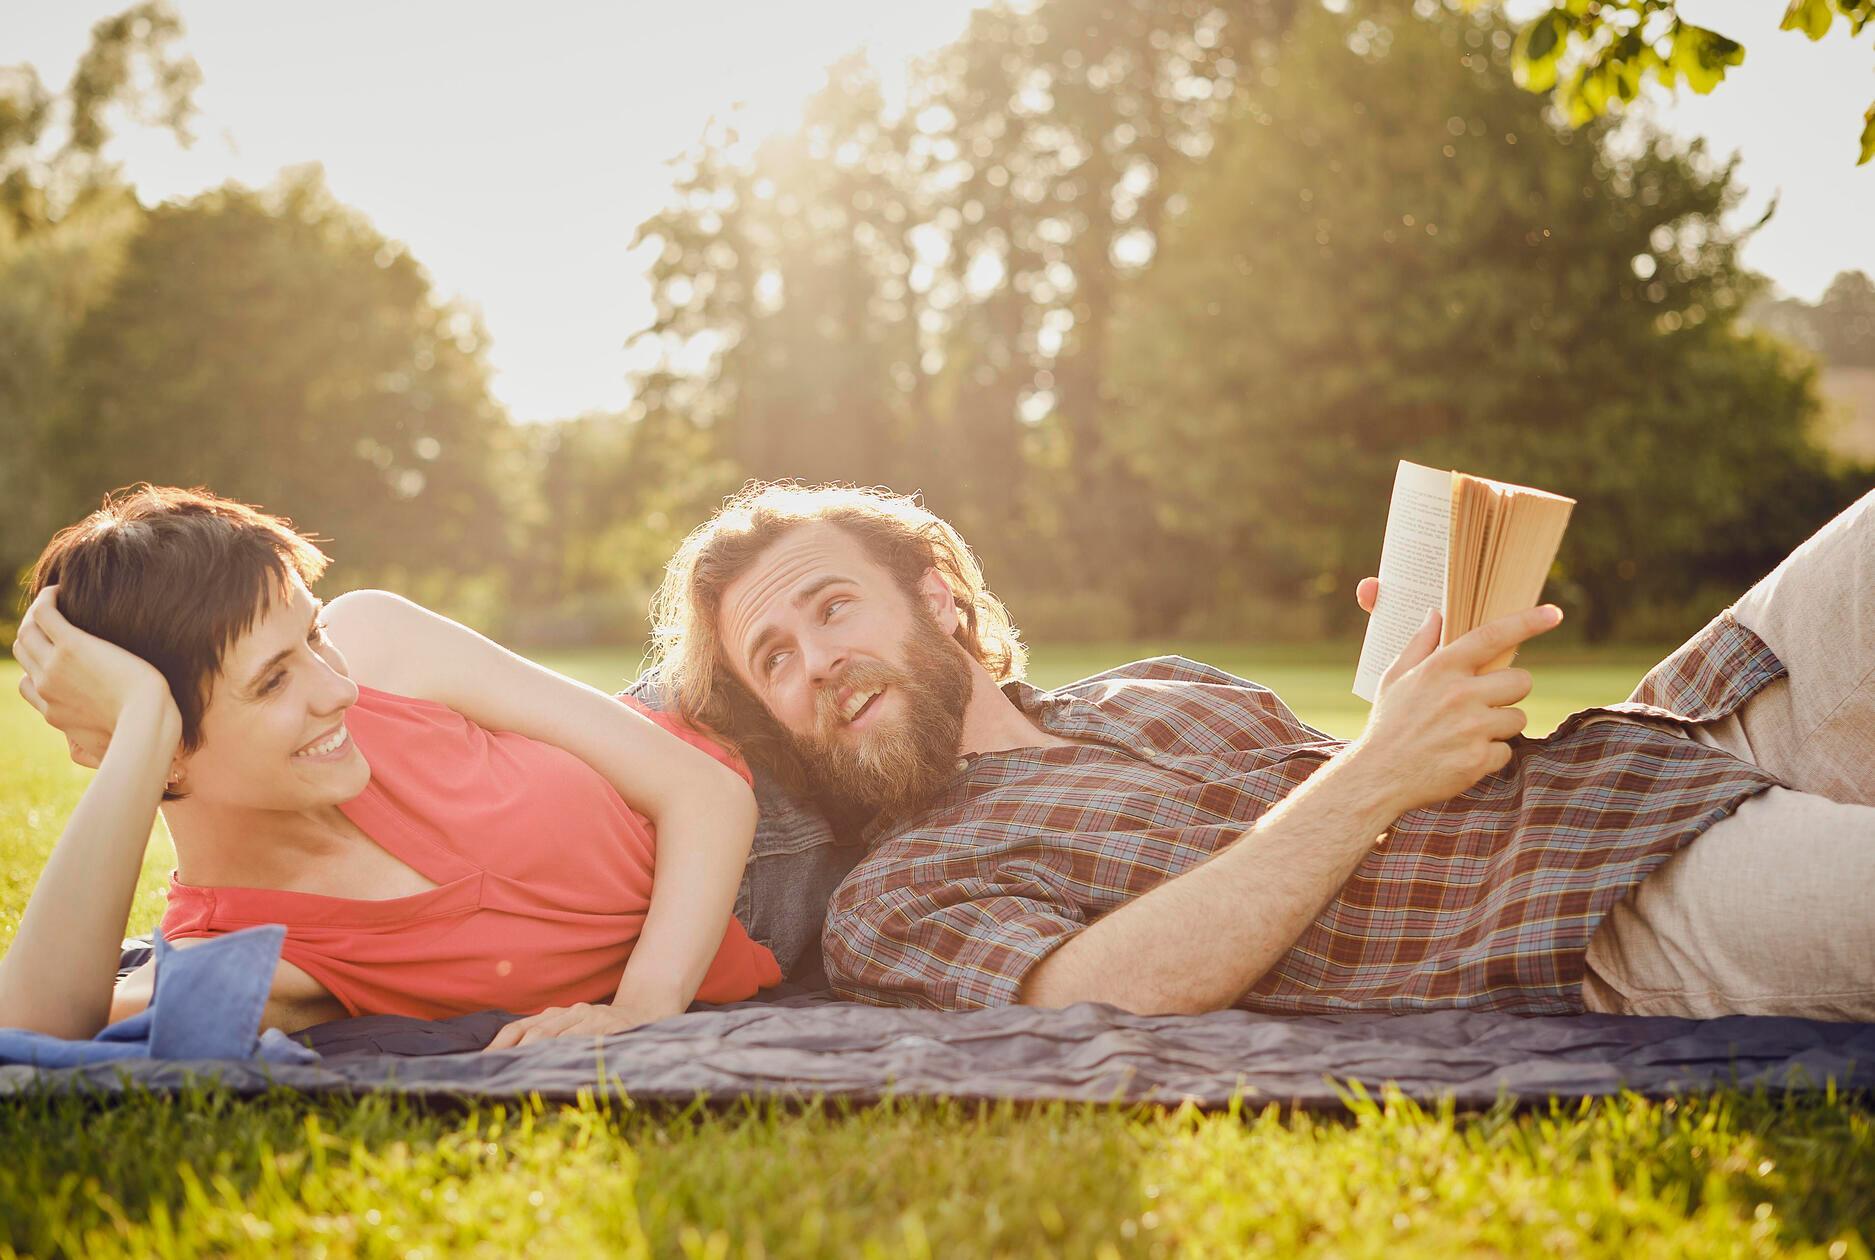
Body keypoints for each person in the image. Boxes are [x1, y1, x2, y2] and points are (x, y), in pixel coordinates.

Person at [646, 481, 1875, 1021]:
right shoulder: (894, 896)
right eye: (775, 663)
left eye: (830, 609)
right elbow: (1100, 996)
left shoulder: (1154, 686)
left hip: (1650, 748)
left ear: (938, 599)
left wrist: (1414, 704)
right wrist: (1379, 771)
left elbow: (1371, 784)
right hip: (1600, 907)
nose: (817, 664)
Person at [1, 485, 778, 1049]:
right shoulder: (247, 946)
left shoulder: (374, 642)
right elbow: (33, 1033)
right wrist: (137, 725)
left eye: (313, 636)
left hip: (746, 738)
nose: (339, 690)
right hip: (783, 899)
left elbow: (702, 789)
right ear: (165, 749)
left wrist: (640, 1010)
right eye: (273, 680)